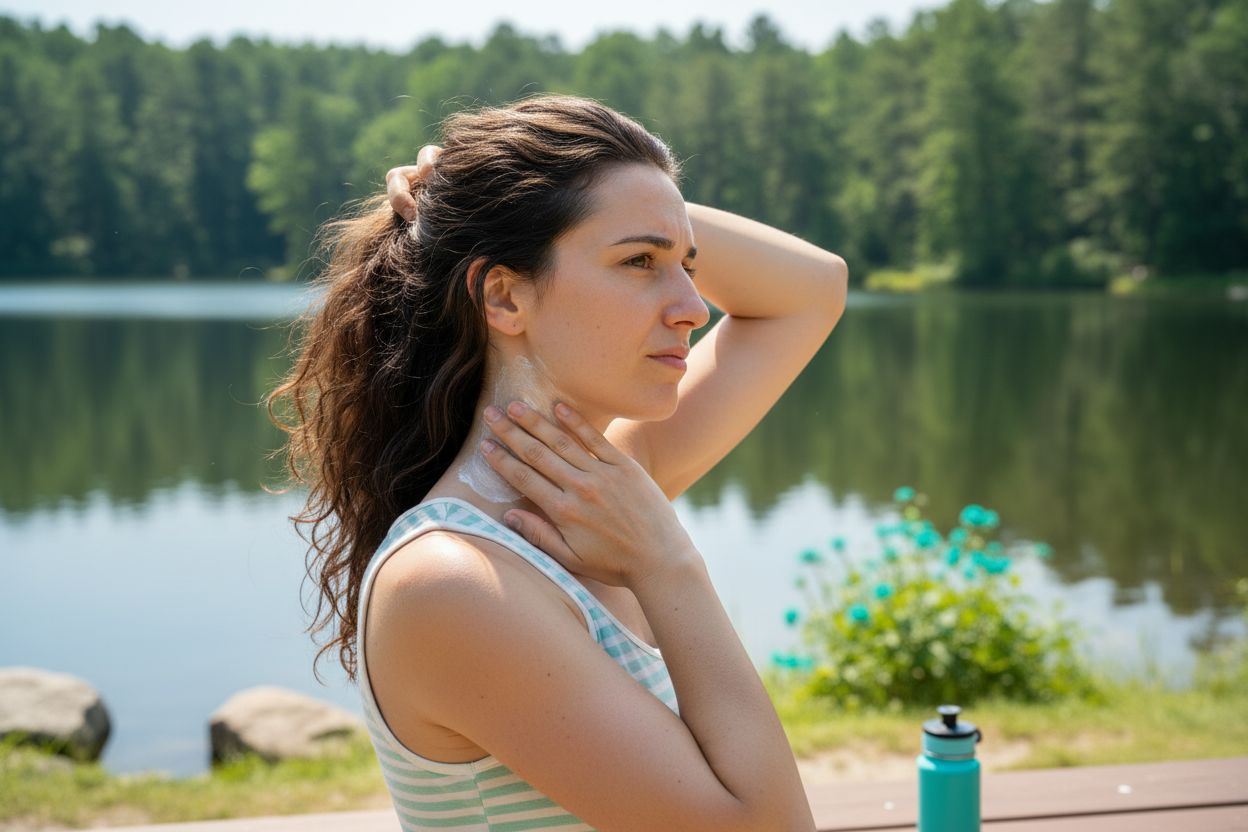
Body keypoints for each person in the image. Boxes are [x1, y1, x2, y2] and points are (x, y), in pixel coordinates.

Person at [268, 94, 847, 831]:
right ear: (505, 297)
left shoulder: (598, 494)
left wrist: (499, 207)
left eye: (687, 265)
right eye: (639, 262)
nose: (693, 308)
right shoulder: (453, 583)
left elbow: (812, 288)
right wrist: (668, 563)